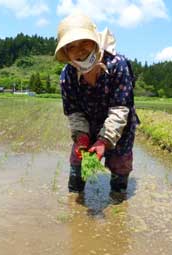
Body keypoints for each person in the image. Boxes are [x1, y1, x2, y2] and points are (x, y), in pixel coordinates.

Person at [54, 13, 140, 194]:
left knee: (120, 166)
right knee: (78, 166)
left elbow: (120, 109)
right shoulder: (67, 76)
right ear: (67, 53)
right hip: (88, 125)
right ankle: (75, 200)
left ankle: (118, 197)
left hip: (119, 127)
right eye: (72, 46)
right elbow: (74, 112)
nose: (80, 50)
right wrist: (82, 138)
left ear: (94, 42)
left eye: (84, 42)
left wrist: (104, 141)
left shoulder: (118, 65)